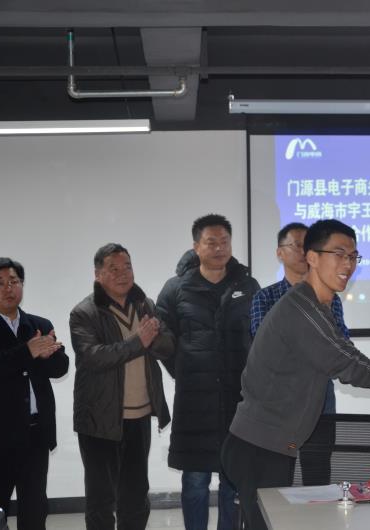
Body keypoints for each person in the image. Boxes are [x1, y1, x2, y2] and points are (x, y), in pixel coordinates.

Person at [221, 219, 370, 530]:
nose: (348, 264)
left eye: (353, 256)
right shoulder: (303, 309)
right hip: (259, 449)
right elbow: (351, 366)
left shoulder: (318, 306)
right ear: (312, 257)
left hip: (268, 446)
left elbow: (347, 355)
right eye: (339, 254)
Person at [156, 214, 259, 530]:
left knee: (232, 481)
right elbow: (163, 342)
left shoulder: (247, 286)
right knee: (195, 481)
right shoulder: (176, 289)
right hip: (194, 403)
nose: (219, 248)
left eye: (224, 241)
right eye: (211, 242)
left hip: (237, 400)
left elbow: (258, 338)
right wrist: (187, 371)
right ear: (196, 246)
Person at [69, 244, 172, 530]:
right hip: (100, 420)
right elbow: (93, 357)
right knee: (101, 501)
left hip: (139, 417)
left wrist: (154, 339)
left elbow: (167, 346)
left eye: (127, 266)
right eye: (113, 268)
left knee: (136, 497)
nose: (123, 273)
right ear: (98, 275)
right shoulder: (84, 312)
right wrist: (139, 342)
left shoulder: (145, 304)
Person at [249, 222, 348, 485]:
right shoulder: (265, 297)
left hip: (320, 400)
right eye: (297, 245)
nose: (304, 252)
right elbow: (266, 346)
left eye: (308, 246)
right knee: (276, 478)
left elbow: (340, 344)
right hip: (279, 404)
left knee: (318, 476)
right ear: (280, 253)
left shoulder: (329, 298)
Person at [0, 258, 68, 530]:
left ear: (22, 285)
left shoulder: (38, 324)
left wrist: (49, 355)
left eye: (13, 281)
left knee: (35, 510)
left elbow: (61, 368)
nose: (8, 288)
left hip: (35, 434)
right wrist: (28, 351)